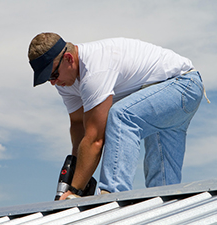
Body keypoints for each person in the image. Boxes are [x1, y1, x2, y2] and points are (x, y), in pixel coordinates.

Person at [28, 32, 208, 200]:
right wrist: (76, 172)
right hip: (164, 94)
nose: (53, 83)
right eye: (47, 79)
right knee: (161, 192)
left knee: (122, 116)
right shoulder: (65, 83)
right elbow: (78, 126)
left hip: (183, 85)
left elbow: (95, 139)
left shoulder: (95, 69)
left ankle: (111, 194)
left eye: (53, 74)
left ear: (68, 58)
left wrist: (75, 191)